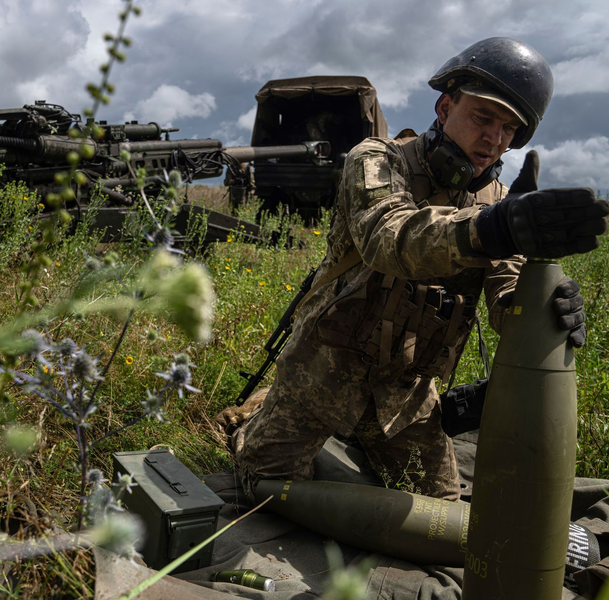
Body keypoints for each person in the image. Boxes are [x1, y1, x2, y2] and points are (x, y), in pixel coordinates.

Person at [216, 37, 609, 502]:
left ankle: (349, 435)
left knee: (443, 509)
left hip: (404, 396)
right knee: (262, 488)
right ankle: (257, 415)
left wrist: (549, 304)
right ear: (445, 108)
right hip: (321, 372)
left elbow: (507, 309)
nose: (494, 138)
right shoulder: (378, 159)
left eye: (509, 129)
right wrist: (490, 229)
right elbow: (390, 237)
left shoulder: (500, 204)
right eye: (483, 117)